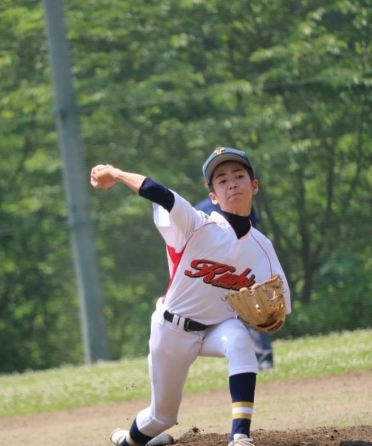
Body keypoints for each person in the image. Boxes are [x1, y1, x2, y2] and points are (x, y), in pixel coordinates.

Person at [90, 147, 292, 446]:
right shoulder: (196, 223)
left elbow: (280, 303)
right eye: (221, 180)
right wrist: (116, 174)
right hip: (172, 330)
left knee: (240, 340)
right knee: (162, 418)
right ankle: (127, 441)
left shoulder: (262, 247)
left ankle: (240, 436)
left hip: (216, 328)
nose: (232, 183)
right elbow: (159, 193)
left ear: (254, 185)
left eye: (238, 176)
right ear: (213, 196)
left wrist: (272, 317)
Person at [193, 196, 275, 372]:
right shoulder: (200, 210)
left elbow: (252, 233)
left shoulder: (239, 203)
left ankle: (265, 359)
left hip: (245, 267)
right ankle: (240, 363)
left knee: (256, 311)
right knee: (228, 318)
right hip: (218, 273)